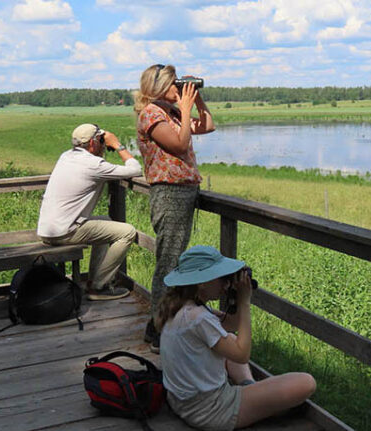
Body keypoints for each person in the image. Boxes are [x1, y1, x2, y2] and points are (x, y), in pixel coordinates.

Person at [156, 245, 316, 430]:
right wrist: (245, 302)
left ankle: (249, 386)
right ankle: (253, 396)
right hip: (211, 410)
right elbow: (242, 354)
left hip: (182, 402)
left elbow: (231, 324)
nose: (225, 284)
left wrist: (234, 297)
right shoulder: (198, 318)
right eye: (222, 278)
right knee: (306, 383)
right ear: (202, 282)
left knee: (229, 337)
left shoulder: (181, 306)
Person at [134, 64, 215, 351]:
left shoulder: (170, 112)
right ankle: (158, 332)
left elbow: (208, 125)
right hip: (169, 195)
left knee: (172, 260)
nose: (177, 89)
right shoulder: (152, 114)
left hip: (181, 194)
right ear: (157, 87)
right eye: (173, 84)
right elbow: (180, 146)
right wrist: (184, 106)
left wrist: (196, 99)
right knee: (168, 264)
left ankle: (155, 327)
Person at [37, 123, 141, 300]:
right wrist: (117, 145)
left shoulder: (66, 156)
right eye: (101, 140)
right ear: (92, 143)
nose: (103, 144)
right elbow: (136, 169)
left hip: (47, 230)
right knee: (127, 232)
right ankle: (99, 288)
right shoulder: (94, 165)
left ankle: (94, 280)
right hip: (64, 232)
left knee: (104, 221)